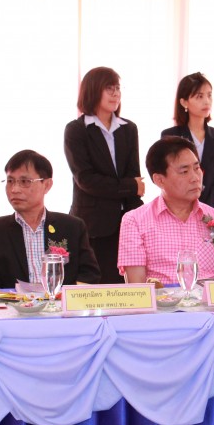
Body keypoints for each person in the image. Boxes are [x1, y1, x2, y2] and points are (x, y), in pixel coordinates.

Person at [118, 136, 214, 284]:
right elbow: (137, 288)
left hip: (209, 299)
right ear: (159, 180)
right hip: (161, 298)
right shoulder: (135, 221)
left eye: (197, 168)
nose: (195, 178)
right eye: (184, 171)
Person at [0, 150, 100, 287]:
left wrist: (65, 297)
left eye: (24, 181)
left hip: (59, 300)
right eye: (10, 181)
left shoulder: (72, 227)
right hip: (11, 301)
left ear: (47, 185)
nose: (15, 189)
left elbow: (89, 274)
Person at [64, 66, 145, 284]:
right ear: (93, 90)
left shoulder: (129, 128)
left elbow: (134, 175)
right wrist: (130, 186)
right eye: (109, 88)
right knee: (96, 287)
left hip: (126, 221)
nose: (116, 93)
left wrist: (131, 188)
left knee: (125, 288)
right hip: (93, 223)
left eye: (118, 88)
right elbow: (86, 180)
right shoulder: (76, 130)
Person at [161, 72, 214, 209]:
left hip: (209, 211)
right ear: (184, 102)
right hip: (178, 209)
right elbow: (170, 180)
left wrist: (208, 212)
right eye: (199, 96)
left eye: (209, 95)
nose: (207, 101)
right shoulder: (170, 136)